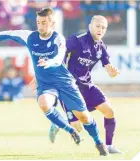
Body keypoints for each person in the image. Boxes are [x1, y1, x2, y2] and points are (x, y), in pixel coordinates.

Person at [0, 8, 109, 156]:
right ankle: (70, 130)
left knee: (84, 117)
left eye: (44, 23)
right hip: (46, 84)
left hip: (64, 82)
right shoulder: (30, 37)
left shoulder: (58, 38)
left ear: (52, 23)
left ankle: (98, 142)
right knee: (44, 103)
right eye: (39, 22)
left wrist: (50, 62)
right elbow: (8, 34)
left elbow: (60, 57)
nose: (41, 26)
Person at [47, 15, 122, 154]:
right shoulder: (77, 39)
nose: (100, 29)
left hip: (88, 86)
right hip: (70, 88)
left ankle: (109, 146)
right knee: (78, 126)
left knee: (109, 111)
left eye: (103, 27)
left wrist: (112, 72)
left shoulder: (101, 46)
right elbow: (61, 53)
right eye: (98, 26)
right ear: (90, 26)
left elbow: (109, 68)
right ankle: (59, 122)